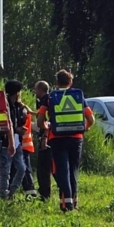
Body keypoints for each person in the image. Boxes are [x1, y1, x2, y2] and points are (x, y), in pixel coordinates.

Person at [37, 70, 94, 212]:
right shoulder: (78, 96)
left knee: (62, 170)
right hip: (76, 138)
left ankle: (66, 202)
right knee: (73, 170)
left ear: (56, 82)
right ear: (71, 82)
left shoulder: (49, 97)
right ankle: (73, 202)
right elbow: (91, 119)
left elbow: (40, 121)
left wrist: (46, 127)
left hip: (57, 139)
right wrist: (84, 128)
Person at [0, 80, 30, 199]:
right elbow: (5, 125)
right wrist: (17, 129)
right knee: (5, 171)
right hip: (5, 142)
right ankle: (3, 195)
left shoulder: (17, 106)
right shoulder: (5, 106)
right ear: (16, 93)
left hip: (16, 142)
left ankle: (11, 191)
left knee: (22, 168)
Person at [30, 80, 52, 201]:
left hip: (46, 138)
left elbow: (45, 121)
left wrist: (44, 136)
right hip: (49, 137)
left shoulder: (45, 101)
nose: (34, 91)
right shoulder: (48, 100)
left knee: (43, 168)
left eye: (36, 89)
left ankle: (45, 195)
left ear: (41, 90)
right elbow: (41, 115)